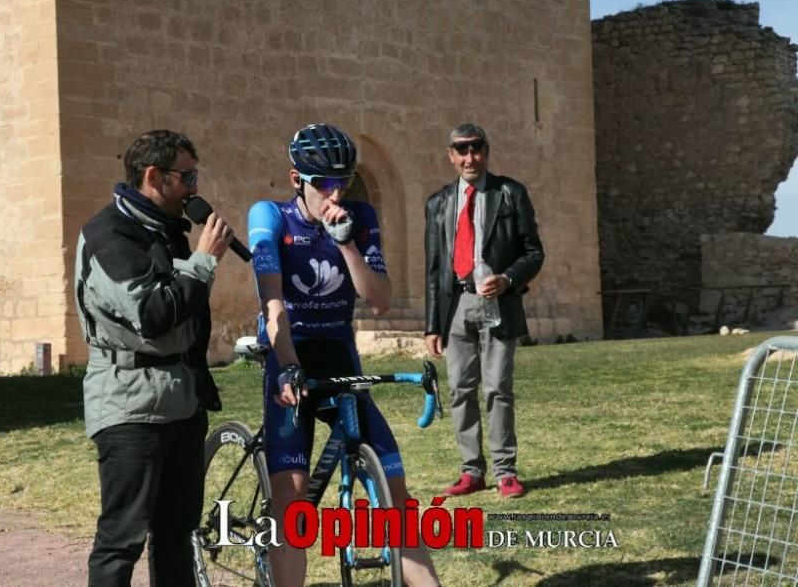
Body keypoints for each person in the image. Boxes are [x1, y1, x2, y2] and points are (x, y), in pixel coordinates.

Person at [248, 123, 440, 587]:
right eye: (322, 183)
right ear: (297, 179)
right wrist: (288, 365)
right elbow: (272, 302)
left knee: (396, 494)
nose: (334, 192)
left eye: (343, 181)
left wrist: (347, 243)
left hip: (338, 353)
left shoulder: (359, 214)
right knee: (292, 500)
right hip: (288, 349)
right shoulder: (270, 216)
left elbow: (379, 301)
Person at [75, 129, 236, 586]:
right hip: (130, 409)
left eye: (195, 175)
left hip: (180, 402)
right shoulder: (108, 234)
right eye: (187, 176)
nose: (194, 187)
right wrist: (203, 262)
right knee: (121, 540)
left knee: (176, 535)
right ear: (153, 176)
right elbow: (152, 313)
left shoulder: (164, 230)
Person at [424, 123, 545, 499]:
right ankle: (471, 471)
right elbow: (432, 267)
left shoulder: (510, 193)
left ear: (487, 152)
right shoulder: (438, 203)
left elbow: (533, 252)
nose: (469, 157)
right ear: (451, 156)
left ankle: (505, 472)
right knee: (460, 389)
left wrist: (508, 279)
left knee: (497, 388)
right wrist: (432, 325)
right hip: (455, 304)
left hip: (498, 302)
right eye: (461, 150)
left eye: (476, 149)